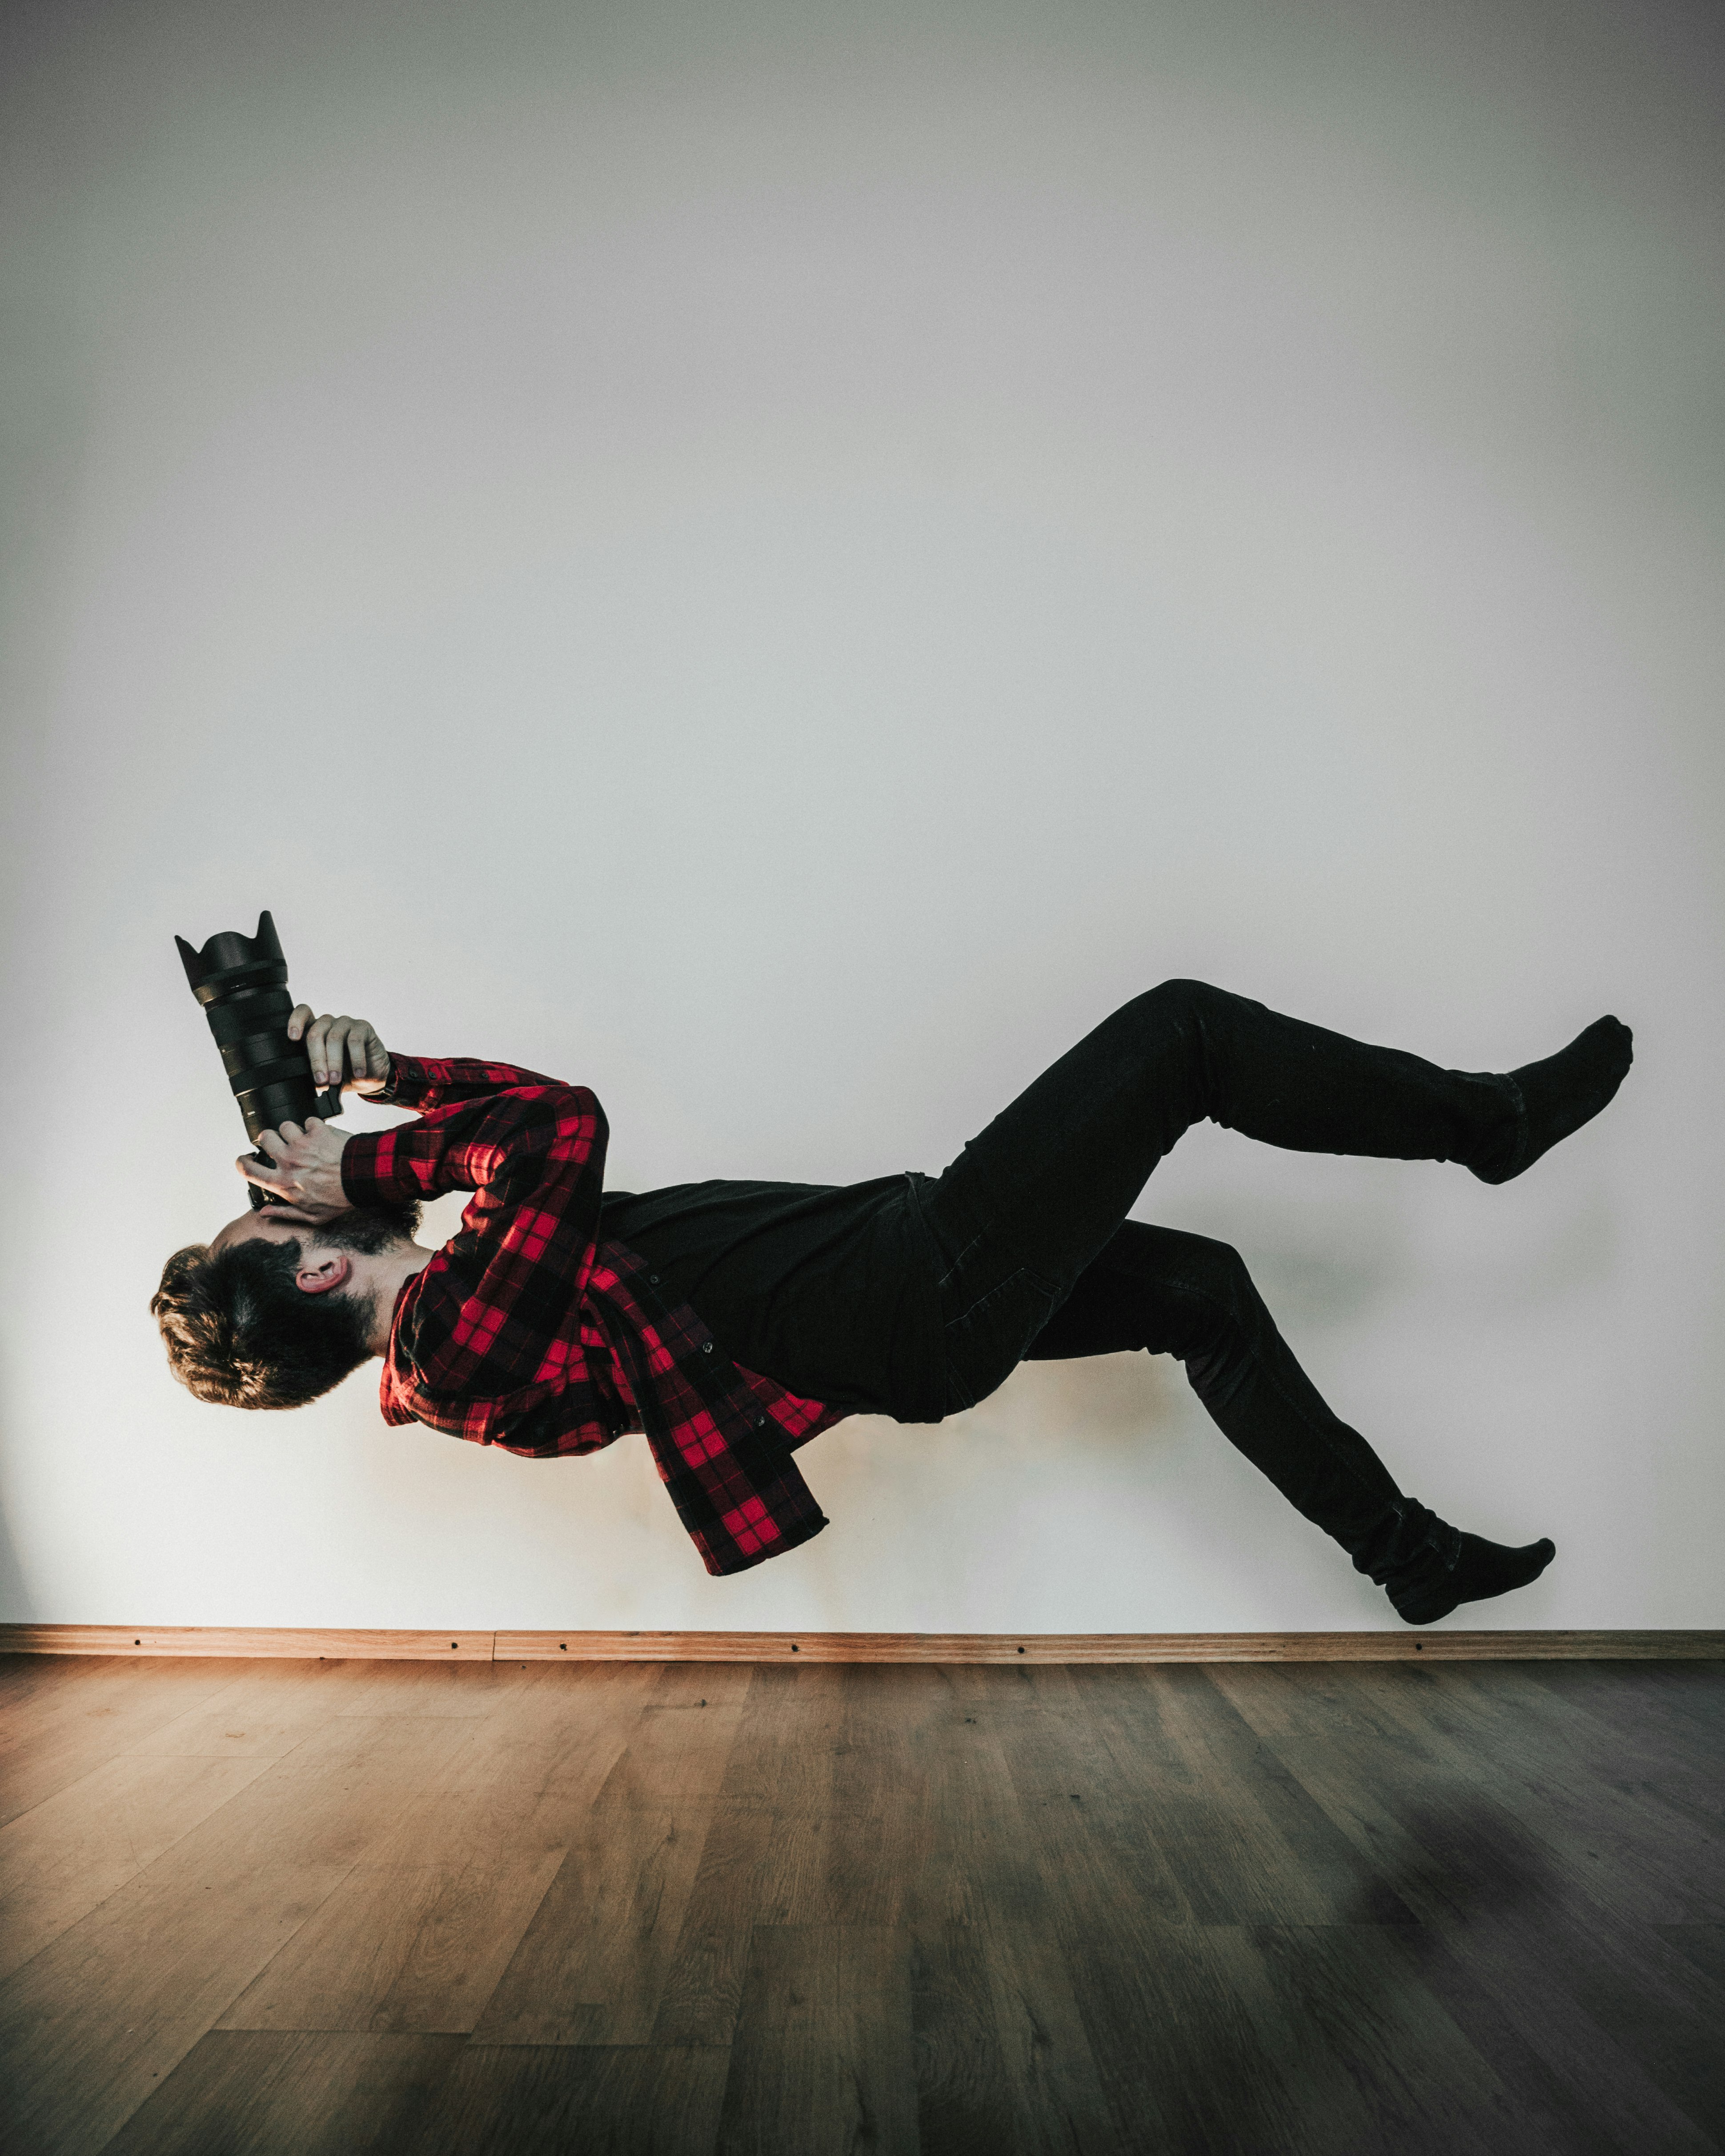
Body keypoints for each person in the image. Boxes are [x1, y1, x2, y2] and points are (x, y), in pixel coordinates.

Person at [151, 979, 1633, 1622]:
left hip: (904, 1274)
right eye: (279, 1212)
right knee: (1183, 1035)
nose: (305, 1192)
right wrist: (373, 1152)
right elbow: (568, 1129)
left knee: (1204, 1288)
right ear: (320, 1263)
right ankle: (1487, 1127)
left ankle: (1404, 1554)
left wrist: (387, 1077)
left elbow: (524, 1125)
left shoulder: (476, 1282)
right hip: (909, 1294)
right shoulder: (456, 1355)